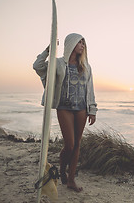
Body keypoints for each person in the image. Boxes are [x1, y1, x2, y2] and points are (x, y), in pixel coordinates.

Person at [33, 33, 97, 192]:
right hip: (64, 107)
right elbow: (37, 66)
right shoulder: (58, 63)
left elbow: (90, 90)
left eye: (84, 43)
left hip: (81, 108)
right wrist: (49, 50)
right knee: (69, 144)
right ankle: (62, 170)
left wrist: (92, 109)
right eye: (79, 42)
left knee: (77, 145)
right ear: (71, 43)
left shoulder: (86, 66)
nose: (82, 45)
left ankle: (71, 180)